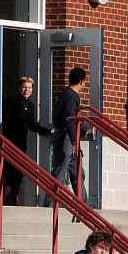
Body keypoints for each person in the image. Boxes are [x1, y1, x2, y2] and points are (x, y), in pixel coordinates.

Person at [0, 76, 54, 206]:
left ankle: (10, 202)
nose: (26, 90)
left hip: (21, 143)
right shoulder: (12, 102)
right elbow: (5, 122)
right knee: (10, 173)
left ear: (32, 90)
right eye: (24, 87)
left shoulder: (30, 105)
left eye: (29, 88)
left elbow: (31, 124)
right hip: (10, 143)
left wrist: (48, 131)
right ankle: (5, 202)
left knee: (18, 174)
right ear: (19, 88)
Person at [43, 67, 92, 207]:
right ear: (82, 81)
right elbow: (70, 120)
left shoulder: (67, 94)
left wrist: (85, 128)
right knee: (59, 172)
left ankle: (84, 206)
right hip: (65, 138)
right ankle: (49, 207)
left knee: (78, 173)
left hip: (66, 136)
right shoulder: (71, 96)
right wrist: (74, 141)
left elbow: (73, 119)